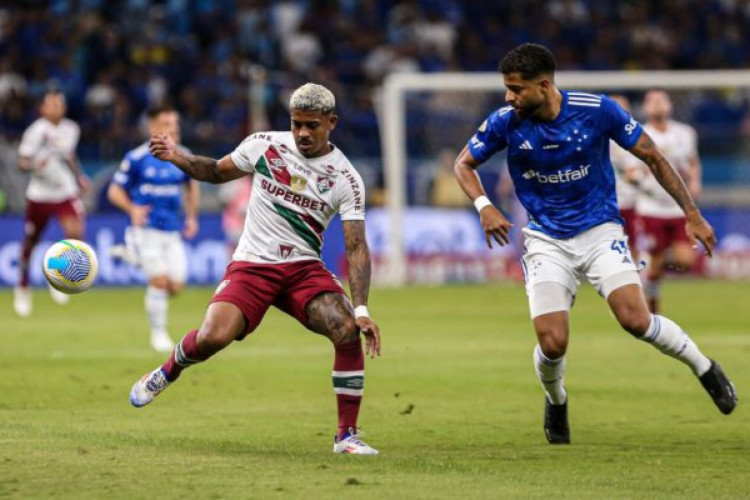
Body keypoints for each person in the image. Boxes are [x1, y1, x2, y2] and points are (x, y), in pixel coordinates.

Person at [453, 44, 737, 445]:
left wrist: (692, 214)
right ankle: (557, 399)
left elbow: (653, 156)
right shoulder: (505, 122)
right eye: (507, 88)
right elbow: (463, 164)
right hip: (545, 238)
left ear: (544, 85)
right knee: (553, 343)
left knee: (636, 320)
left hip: (600, 231)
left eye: (516, 89)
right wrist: (484, 205)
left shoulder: (597, 110)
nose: (508, 97)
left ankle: (705, 368)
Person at [129, 83, 382, 455]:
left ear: (332, 122)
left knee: (345, 328)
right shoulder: (265, 145)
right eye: (297, 124)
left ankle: (346, 437)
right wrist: (176, 156)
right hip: (253, 265)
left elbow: (356, 247)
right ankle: (167, 371)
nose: (303, 133)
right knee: (212, 338)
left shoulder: (346, 179)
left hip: (302, 269)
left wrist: (361, 310)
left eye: (312, 125)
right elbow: (214, 171)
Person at [108, 105, 200, 353]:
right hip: (146, 230)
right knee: (158, 282)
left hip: (172, 231)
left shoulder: (183, 155)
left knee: (176, 286)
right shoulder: (136, 158)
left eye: (176, 123)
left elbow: (192, 188)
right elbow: (114, 191)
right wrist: (132, 209)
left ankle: (132, 256)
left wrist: (191, 217)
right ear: (153, 128)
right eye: (168, 124)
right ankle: (158, 334)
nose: (174, 129)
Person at [14, 90, 90, 317]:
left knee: (75, 233)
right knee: (31, 241)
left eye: (59, 104)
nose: (56, 107)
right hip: (39, 195)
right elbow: (22, 163)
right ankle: (23, 286)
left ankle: (57, 276)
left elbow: (69, 156)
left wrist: (79, 177)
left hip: (64, 192)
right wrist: (34, 166)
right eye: (51, 104)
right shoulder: (35, 131)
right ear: (43, 109)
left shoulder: (71, 129)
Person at [627, 90, 702, 313]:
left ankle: (651, 275)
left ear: (670, 105)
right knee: (654, 261)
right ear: (646, 108)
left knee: (685, 261)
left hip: (678, 208)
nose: (657, 104)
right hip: (650, 206)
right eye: (652, 101)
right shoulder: (638, 133)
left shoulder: (686, 133)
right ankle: (651, 301)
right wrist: (638, 178)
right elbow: (631, 171)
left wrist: (696, 182)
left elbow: (693, 162)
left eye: (662, 100)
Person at [609, 94, 640, 265]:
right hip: (605, 203)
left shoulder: (637, 137)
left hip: (633, 202)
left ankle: (637, 279)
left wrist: (635, 175)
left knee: (633, 244)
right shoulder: (598, 137)